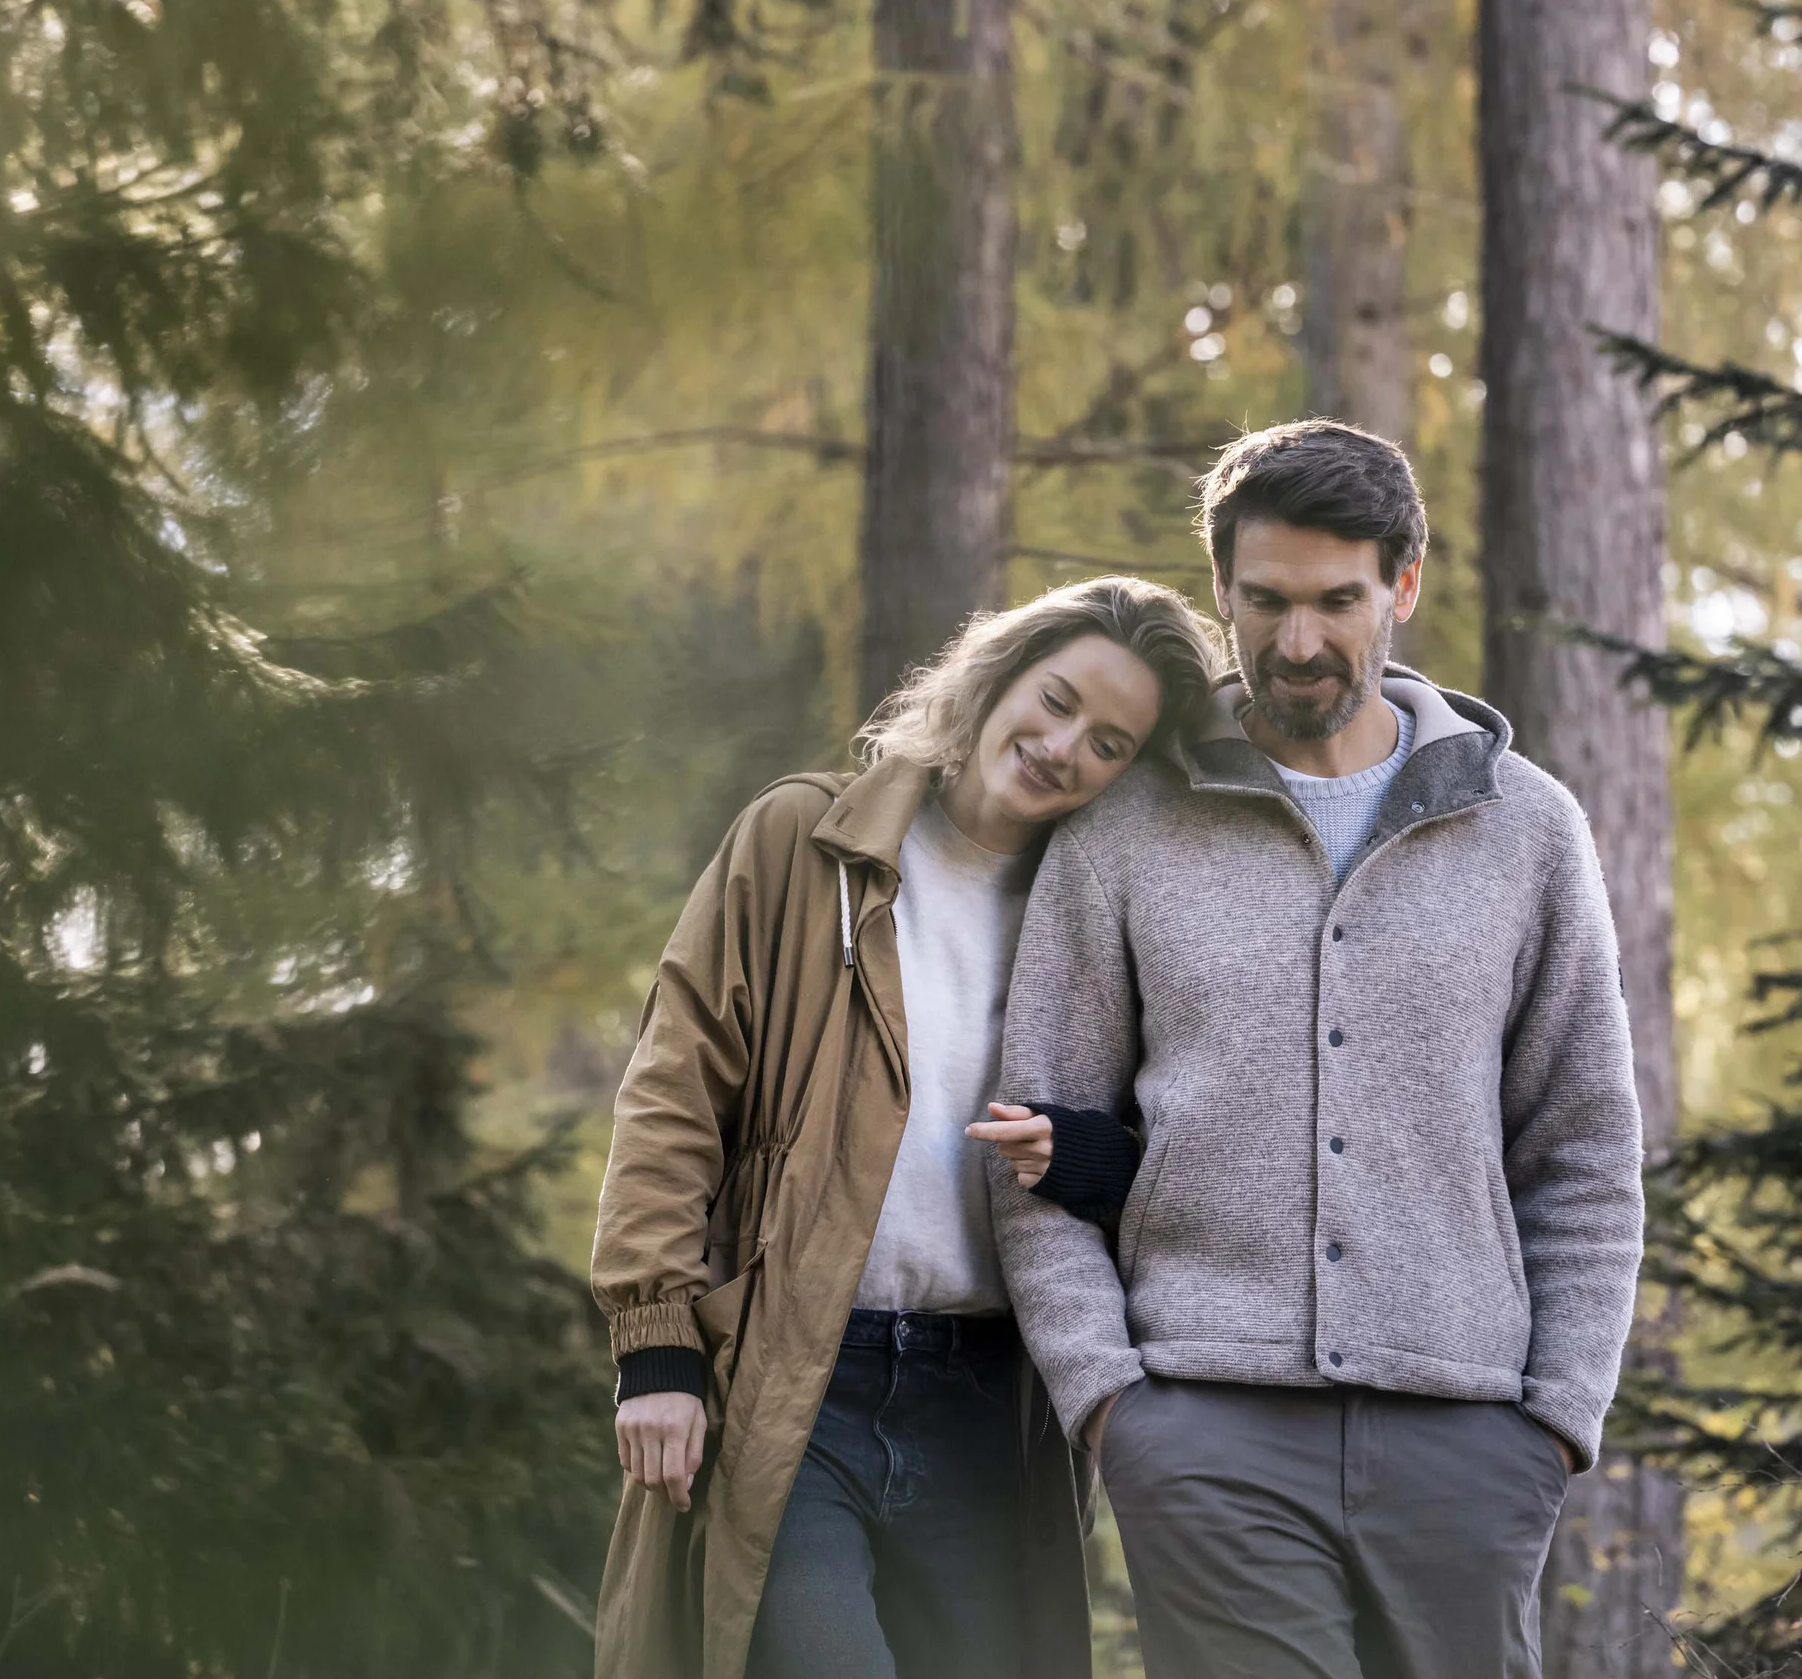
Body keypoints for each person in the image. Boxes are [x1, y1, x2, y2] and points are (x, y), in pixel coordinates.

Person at [992, 420, 1646, 1679]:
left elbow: (1583, 1147)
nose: (1299, 643)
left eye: (1337, 601)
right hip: (1203, 1429)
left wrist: (1557, 1417)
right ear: (1222, 592)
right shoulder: (1124, 826)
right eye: (1267, 601)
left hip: (1469, 1435)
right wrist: (1113, 1402)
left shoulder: (1529, 828)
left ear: (1402, 584)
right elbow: (1028, 1134)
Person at [589, 577, 1223, 1679]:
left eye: (1111, 741)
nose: (1063, 745)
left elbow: (1184, 1158)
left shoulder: (1109, 922)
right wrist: (655, 1346)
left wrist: (1083, 1155)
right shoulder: (802, 840)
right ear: (998, 679)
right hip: (796, 1380)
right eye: (1057, 698)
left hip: (993, 1405)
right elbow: (674, 1091)